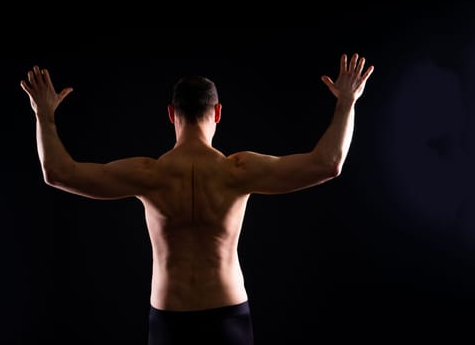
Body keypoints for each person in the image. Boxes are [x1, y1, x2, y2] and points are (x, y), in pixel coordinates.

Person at [20, 53, 374, 345]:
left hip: (168, 321)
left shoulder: (150, 174)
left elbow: (58, 173)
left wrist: (44, 116)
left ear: (171, 114)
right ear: (217, 113)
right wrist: (346, 103)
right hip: (229, 316)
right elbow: (327, 164)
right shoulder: (238, 171)